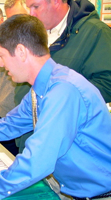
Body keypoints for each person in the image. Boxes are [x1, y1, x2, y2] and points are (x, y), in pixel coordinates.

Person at [0, 14, 111, 200]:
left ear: (21, 52)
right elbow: (8, 125)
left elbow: (39, 159)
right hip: (71, 189)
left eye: (1, 55)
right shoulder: (41, 89)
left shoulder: (62, 91)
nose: (0, 64)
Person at [15, 0, 111, 153]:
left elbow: (107, 84)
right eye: (28, 7)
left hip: (66, 146)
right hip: (29, 136)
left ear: (56, 2)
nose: (31, 14)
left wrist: (57, 99)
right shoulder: (34, 31)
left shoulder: (96, 33)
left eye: (36, 7)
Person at [0, 0, 28, 155]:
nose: (15, 23)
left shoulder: (37, 43)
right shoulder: (4, 42)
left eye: (19, 17)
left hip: (25, 122)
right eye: (11, 19)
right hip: (4, 116)